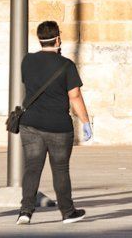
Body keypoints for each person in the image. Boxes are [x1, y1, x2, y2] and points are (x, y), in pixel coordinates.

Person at [16, 21, 92, 225]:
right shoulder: (66, 65)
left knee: (32, 168)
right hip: (58, 126)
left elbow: (28, 83)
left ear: (39, 39)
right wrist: (85, 121)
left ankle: (25, 212)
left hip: (30, 124)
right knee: (60, 169)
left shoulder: (27, 61)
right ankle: (67, 212)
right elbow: (74, 96)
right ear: (58, 39)